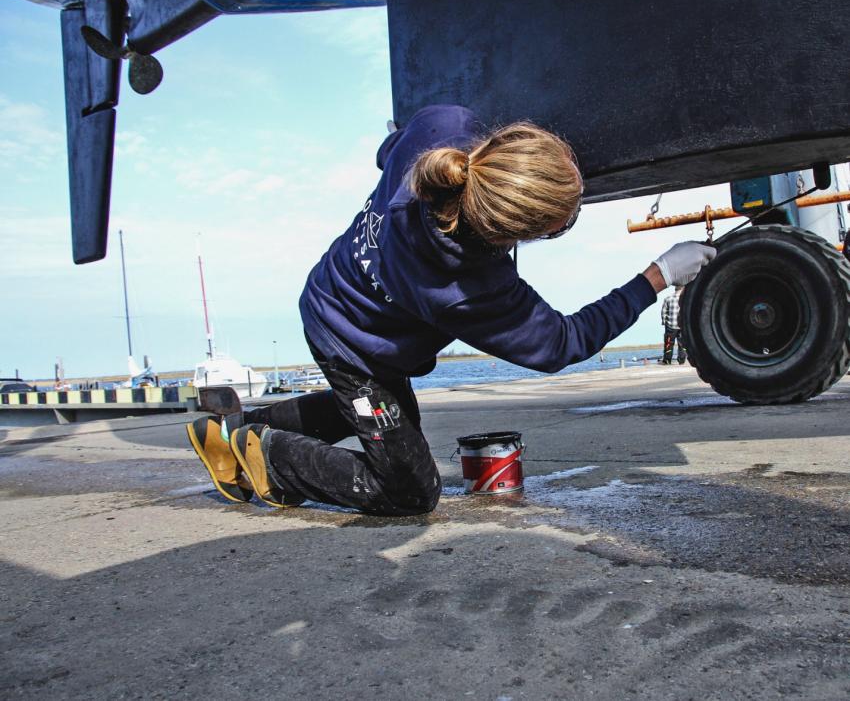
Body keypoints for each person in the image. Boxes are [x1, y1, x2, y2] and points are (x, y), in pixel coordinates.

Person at [186, 105, 715, 516]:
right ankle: (269, 457)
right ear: (513, 235)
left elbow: (390, 147)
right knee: (409, 488)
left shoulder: (443, 126)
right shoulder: (469, 286)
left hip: (333, 289)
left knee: (380, 420)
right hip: (351, 339)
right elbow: (562, 344)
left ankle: (232, 425)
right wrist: (657, 277)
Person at [660, 286, 687, 364]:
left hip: (670, 326)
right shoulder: (685, 299)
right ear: (682, 290)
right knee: (682, 344)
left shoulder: (668, 298)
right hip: (682, 326)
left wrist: (663, 321)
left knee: (668, 344)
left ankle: (667, 361)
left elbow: (663, 312)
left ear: (675, 289)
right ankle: (681, 361)